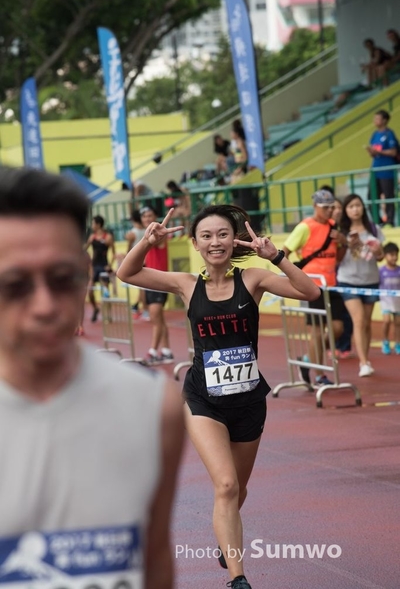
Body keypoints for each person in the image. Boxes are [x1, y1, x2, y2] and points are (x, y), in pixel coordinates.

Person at [0, 165, 184, 589]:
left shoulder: (152, 406)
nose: (44, 305)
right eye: (15, 284)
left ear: (85, 270)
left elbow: (154, 560)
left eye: (63, 279)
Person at [117, 204, 319, 589]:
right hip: (202, 399)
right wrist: (146, 242)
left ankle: (227, 539)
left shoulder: (254, 279)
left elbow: (310, 292)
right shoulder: (186, 285)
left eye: (222, 234)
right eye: (206, 236)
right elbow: (126, 273)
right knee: (225, 485)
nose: (215, 242)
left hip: (248, 401)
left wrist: (276, 256)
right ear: (194, 243)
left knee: (238, 491)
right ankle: (238, 578)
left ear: (234, 240)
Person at [283, 189, 347, 386]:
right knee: (317, 332)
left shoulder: (334, 227)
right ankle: (320, 376)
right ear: (315, 207)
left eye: (332, 207)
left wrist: (342, 243)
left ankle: (307, 359)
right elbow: (284, 252)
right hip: (311, 285)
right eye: (325, 207)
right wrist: (294, 277)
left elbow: (338, 258)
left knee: (338, 328)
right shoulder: (305, 227)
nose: (329, 211)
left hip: (331, 284)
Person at [337, 193, 385, 377]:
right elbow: (338, 259)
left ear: (363, 208)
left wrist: (377, 251)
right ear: (346, 211)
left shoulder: (373, 229)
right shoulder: (342, 231)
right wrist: (346, 244)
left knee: (366, 323)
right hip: (348, 280)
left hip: (370, 280)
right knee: (358, 320)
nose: (355, 209)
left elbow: (380, 258)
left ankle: (367, 359)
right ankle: (363, 362)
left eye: (358, 205)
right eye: (351, 206)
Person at [139, 205, 175, 365]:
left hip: (159, 282)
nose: (147, 218)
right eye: (144, 216)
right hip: (149, 282)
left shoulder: (159, 235)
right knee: (158, 319)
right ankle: (166, 351)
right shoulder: (146, 237)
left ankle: (152, 351)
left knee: (155, 317)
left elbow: (157, 242)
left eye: (149, 215)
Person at [366, 109, 399, 227]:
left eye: (377, 118)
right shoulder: (375, 134)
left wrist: (380, 151)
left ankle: (390, 221)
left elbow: (394, 152)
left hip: (387, 171)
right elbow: (374, 153)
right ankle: (378, 221)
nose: (375, 121)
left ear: (384, 120)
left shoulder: (389, 134)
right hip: (375, 170)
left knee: (389, 197)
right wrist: (371, 151)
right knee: (371, 197)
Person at [332, 197, 354, 358]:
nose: (337, 210)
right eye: (333, 208)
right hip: (329, 278)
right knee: (331, 318)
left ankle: (344, 345)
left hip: (346, 277)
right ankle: (330, 346)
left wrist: (344, 241)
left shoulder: (346, 229)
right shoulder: (325, 229)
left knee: (346, 315)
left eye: (340, 207)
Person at [85, 214, 115, 322]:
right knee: (90, 292)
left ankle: (108, 314)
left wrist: (110, 265)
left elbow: (114, 253)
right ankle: (95, 308)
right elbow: (84, 249)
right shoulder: (92, 237)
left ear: (98, 224)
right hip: (94, 267)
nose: (92, 225)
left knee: (106, 293)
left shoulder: (108, 237)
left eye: (93, 223)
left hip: (103, 266)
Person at [379, 241, 400, 355]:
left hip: (397, 301)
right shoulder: (381, 271)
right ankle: (385, 341)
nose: (394, 257)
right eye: (391, 255)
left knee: (398, 323)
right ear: (385, 255)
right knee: (386, 321)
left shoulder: (399, 270)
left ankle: (397, 343)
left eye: (396, 254)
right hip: (386, 301)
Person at [230, 119, 248, 184]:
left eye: (232, 134)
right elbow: (237, 155)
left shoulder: (241, 143)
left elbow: (245, 156)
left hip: (242, 167)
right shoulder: (236, 144)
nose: (231, 135)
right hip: (238, 166)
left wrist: (241, 168)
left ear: (236, 134)